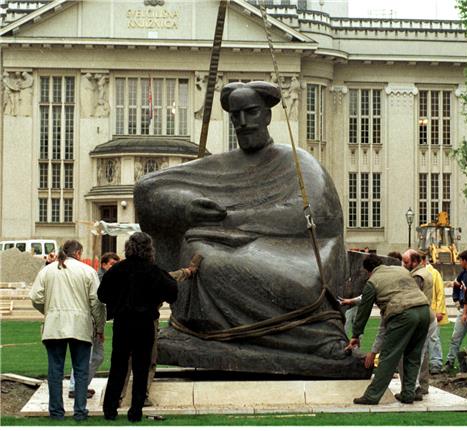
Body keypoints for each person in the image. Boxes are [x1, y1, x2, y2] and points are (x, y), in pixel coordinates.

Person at [133, 81, 367, 378]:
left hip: (302, 257)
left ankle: (312, 339)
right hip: (243, 247)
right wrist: (187, 207)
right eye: (235, 116)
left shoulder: (295, 160)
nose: (243, 122)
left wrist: (233, 220)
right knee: (196, 248)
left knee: (208, 260)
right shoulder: (225, 164)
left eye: (251, 112)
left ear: (267, 116)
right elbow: (149, 189)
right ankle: (199, 332)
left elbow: (317, 212)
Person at [98, 232, 178, 422]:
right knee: (142, 368)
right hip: (144, 324)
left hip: (123, 322)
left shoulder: (118, 270)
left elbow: (102, 294)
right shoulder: (154, 271)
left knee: (118, 366)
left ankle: (110, 409)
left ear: (128, 248)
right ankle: (135, 410)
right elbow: (173, 292)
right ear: (150, 250)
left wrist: (117, 302)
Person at [29, 240, 105, 421]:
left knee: (55, 370)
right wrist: (100, 327)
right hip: (80, 325)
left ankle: (56, 412)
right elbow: (96, 302)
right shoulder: (87, 271)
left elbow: (35, 297)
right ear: (78, 253)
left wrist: (49, 311)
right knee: (81, 370)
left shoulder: (47, 270)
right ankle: (80, 411)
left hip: (54, 325)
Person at [119, 253, 203, 407]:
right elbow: (172, 277)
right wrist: (189, 271)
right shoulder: (155, 275)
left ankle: (118, 396)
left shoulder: (122, 274)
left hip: (126, 322)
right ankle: (141, 396)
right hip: (147, 322)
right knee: (147, 361)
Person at [347, 254, 430, 405]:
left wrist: (356, 335)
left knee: (388, 356)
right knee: (413, 356)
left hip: (403, 313)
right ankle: (408, 394)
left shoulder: (372, 281)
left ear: (368, 271)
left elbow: (363, 312)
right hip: (424, 311)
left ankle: (372, 396)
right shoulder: (401, 270)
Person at [69, 252, 120, 399]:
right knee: (86, 355)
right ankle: (75, 387)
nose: (114, 268)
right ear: (104, 265)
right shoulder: (100, 279)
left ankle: (82, 385)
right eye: (112, 264)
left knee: (97, 357)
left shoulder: (109, 278)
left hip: (97, 322)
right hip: (89, 321)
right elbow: (98, 304)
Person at [402, 249, 436, 398]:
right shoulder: (426, 272)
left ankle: (413, 388)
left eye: (406, 262)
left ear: (415, 262)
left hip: (420, 318)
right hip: (427, 316)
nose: (404, 265)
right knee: (421, 353)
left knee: (413, 355)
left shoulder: (417, 276)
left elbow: (411, 298)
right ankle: (420, 386)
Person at [443, 250, 467, 372]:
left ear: (465, 261)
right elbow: (456, 286)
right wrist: (456, 299)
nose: (459, 263)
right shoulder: (462, 274)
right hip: (463, 309)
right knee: (455, 337)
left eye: (460, 260)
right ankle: (449, 361)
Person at [423, 254, 448, 374]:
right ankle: (428, 363)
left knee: (433, 337)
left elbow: (440, 293)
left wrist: (440, 310)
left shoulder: (434, 273)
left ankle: (436, 363)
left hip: (432, 312)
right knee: (424, 338)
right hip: (424, 311)